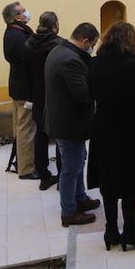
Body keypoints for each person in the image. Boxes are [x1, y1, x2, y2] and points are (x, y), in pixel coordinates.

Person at [88, 22, 135, 251]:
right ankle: (130, 232)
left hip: (104, 128)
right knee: (131, 181)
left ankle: (111, 231)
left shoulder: (95, 63)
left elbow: (90, 91)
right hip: (131, 129)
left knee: (109, 179)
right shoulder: (131, 65)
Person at [44, 22, 102, 227]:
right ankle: (69, 212)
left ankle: (80, 197)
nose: (92, 49)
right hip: (68, 123)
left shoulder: (59, 51)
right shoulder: (71, 60)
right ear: (85, 41)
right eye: (92, 44)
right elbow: (82, 95)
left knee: (78, 161)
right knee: (71, 168)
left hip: (63, 120)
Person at [24, 11, 61, 190]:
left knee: (40, 134)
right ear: (55, 25)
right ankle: (63, 176)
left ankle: (43, 174)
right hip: (55, 93)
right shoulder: (58, 44)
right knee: (61, 135)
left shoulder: (29, 43)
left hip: (37, 92)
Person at [2, 1, 38, 179]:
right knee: (26, 129)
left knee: (20, 126)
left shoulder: (14, 32)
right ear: (17, 17)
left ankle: (22, 161)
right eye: (24, 11)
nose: (27, 13)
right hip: (25, 89)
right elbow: (28, 61)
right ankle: (27, 169)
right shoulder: (18, 36)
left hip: (18, 86)